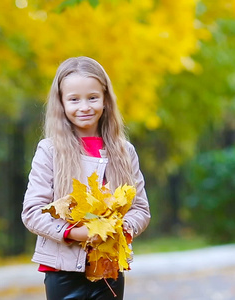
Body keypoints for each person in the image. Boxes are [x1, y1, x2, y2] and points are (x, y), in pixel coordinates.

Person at [21, 56, 151, 300]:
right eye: (74, 99)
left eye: (92, 98)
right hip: (62, 271)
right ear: (61, 103)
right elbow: (32, 212)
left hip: (109, 268)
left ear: (105, 101)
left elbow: (141, 209)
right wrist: (72, 232)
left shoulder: (124, 152)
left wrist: (120, 228)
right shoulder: (50, 151)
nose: (84, 107)